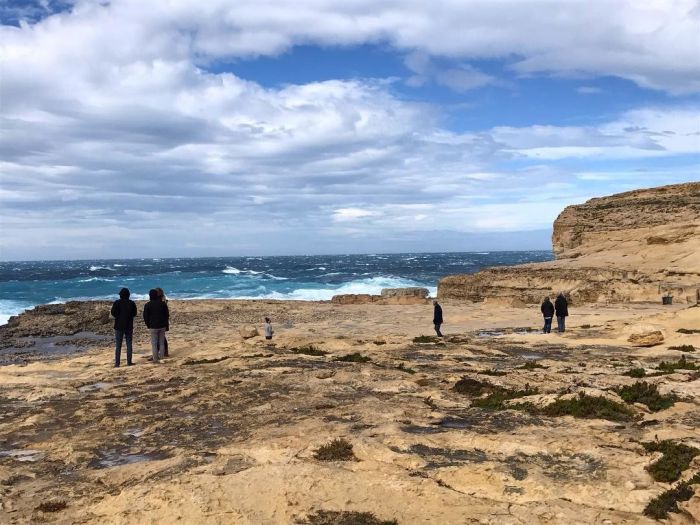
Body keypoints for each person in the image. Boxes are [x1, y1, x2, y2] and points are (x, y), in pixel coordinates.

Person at [111, 288, 137, 367]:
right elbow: (134, 313)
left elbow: (113, 313)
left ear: (120, 295)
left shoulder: (117, 303)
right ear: (128, 295)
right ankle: (129, 362)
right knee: (129, 344)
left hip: (119, 325)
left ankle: (117, 363)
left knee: (118, 345)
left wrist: (118, 316)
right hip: (129, 325)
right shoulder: (131, 303)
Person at [143, 288, 170, 363]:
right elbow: (166, 315)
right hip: (162, 325)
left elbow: (145, 316)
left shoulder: (148, 305)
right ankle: (161, 357)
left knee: (154, 343)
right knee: (161, 342)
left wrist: (148, 324)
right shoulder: (163, 304)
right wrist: (165, 324)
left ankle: (155, 358)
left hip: (153, 326)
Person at [155, 287, 169, 357]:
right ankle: (164, 352)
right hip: (163, 321)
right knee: (162, 337)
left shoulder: (162, 302)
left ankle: (159, 353)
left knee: (159, 338)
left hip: (160, 322)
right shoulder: (163, 301)